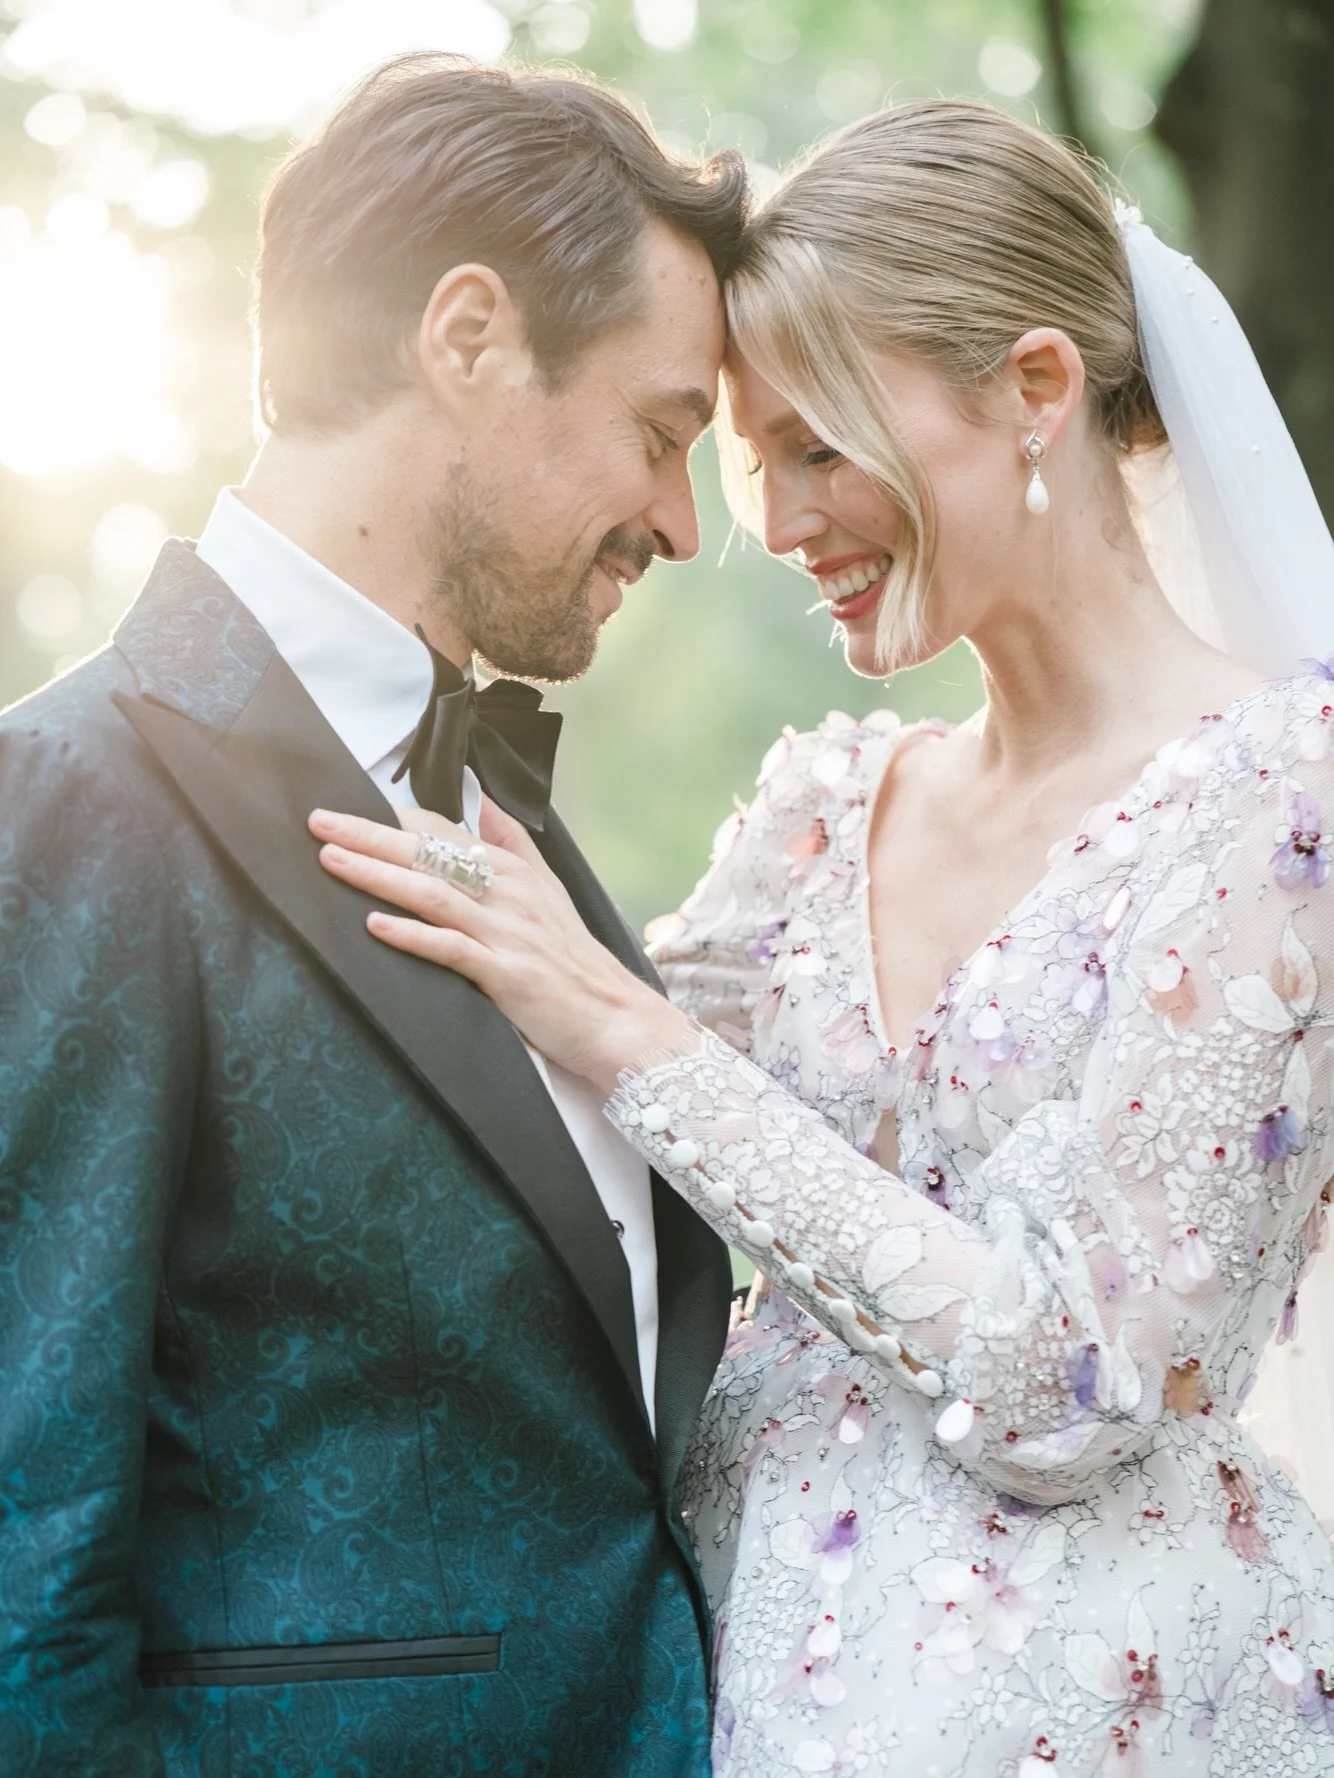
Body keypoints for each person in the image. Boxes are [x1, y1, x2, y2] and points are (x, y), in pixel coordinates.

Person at [311, 101, 1334, 1774]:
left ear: (1034, 388)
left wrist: (646, 1042)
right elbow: (574, 1155)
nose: (778, 529)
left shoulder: (1281, 788)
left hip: (1108, 1713)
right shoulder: (814, 808)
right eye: (744, 462)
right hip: (718, 1683)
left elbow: (1069, 1376)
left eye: (816, 448)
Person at [0, 54, 748, 1778]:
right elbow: (25, 1555)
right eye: (659, 431)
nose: (680, 523)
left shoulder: (508, 813)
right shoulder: (76, 798)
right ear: (467, 336)